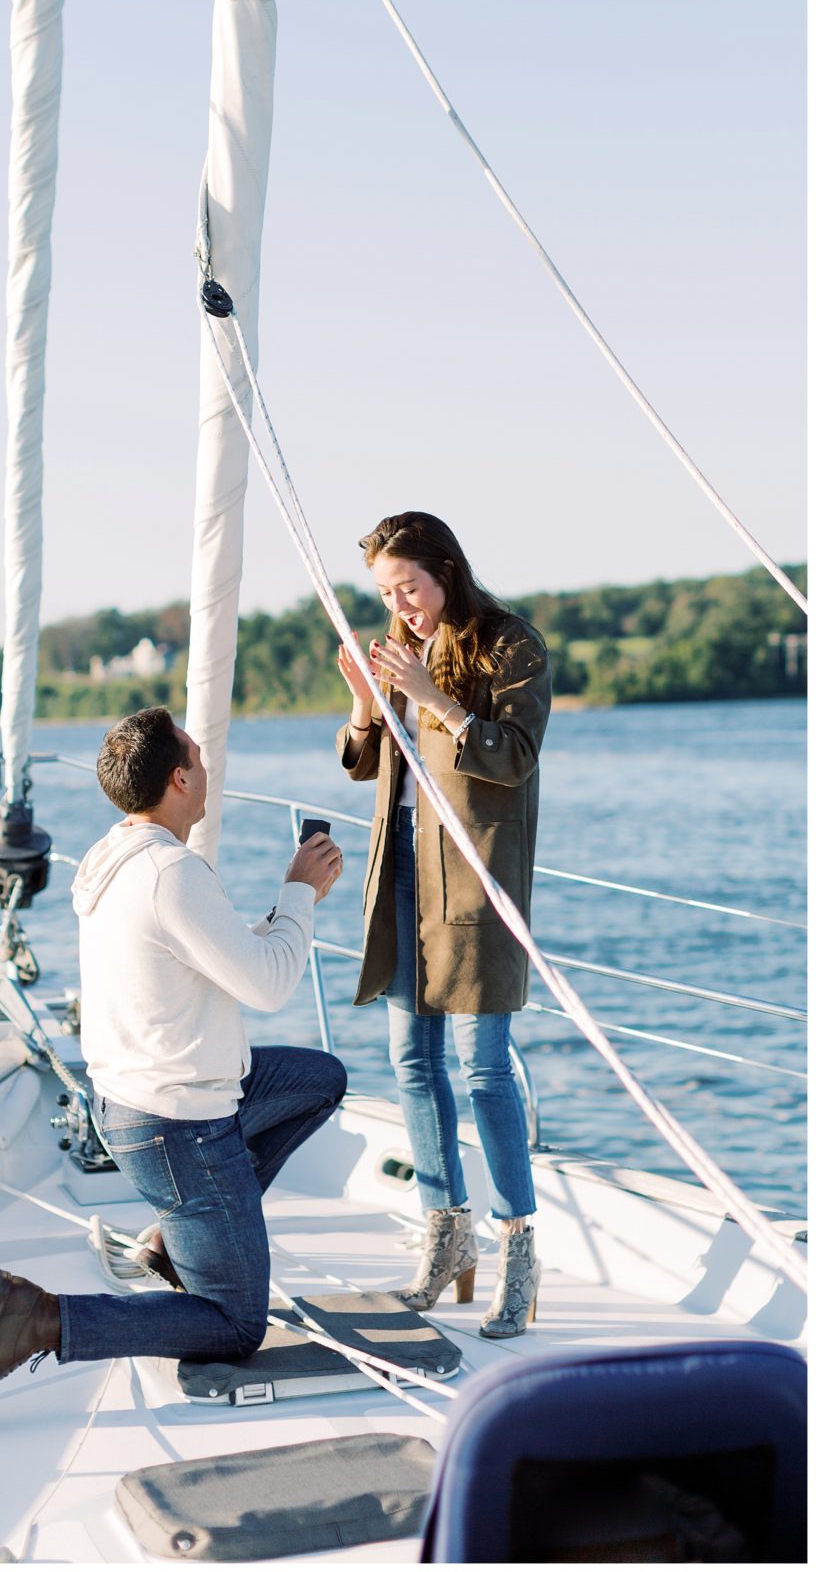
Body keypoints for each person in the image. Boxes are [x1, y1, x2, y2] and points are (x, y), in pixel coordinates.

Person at [0, 706, 346, 1426]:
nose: (207, 768)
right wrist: (299, 893)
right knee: (235, 1326)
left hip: (143, 1107)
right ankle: (43, 1320)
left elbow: (217, 955)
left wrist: (278, 912)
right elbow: (268, 985)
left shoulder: (119, 856)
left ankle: (176, 1237)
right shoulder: (170, 872)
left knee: (318, 1079)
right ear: (178, 778)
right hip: (180, 1128)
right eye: (198, 756)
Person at [336, 512, 550, 1338]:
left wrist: (432, 699)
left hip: (475, 878)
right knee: (411, 1062)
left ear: (447, 571)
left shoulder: (508, 643)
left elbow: (515, 754)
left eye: (411, 588)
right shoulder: (397, 648)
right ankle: (446, 1233)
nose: (403, 606)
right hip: (402, 870)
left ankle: (519, 1251)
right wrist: (367, 701)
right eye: (389, 594)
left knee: (483, 1066)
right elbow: (365, 760)